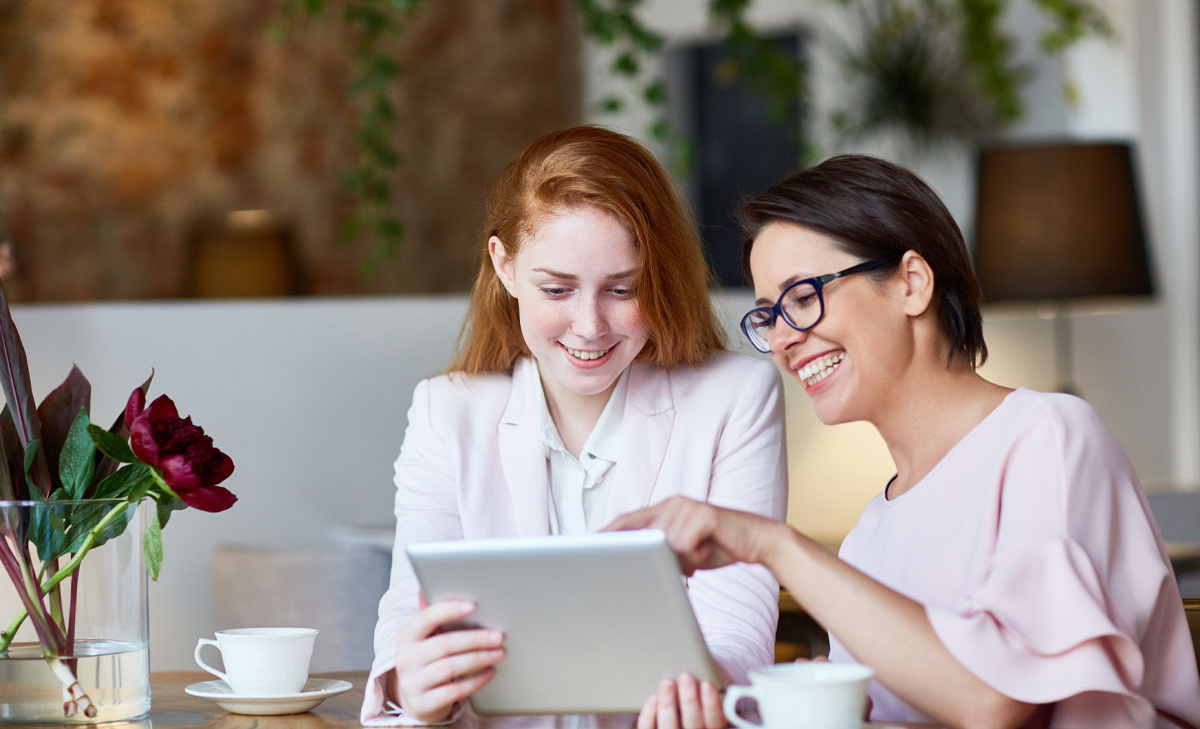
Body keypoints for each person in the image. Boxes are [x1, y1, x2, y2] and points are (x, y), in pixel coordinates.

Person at [608, 154, 1200, 728]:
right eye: (769, 316)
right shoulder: (870, 534)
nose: (785, 338)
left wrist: (773, 545)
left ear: (912, 283)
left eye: (804, 298)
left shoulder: (1049, 438)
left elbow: (990, 702)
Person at [362, 126, 788, 728]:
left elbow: (739, 638)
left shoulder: (735, 398)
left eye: (623, 289)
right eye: (556, 289)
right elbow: (410, 617)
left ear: (660, 276)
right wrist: (417, 686)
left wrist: (705, 691)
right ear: (505, 267)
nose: (589, 326)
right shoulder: (445, 411)